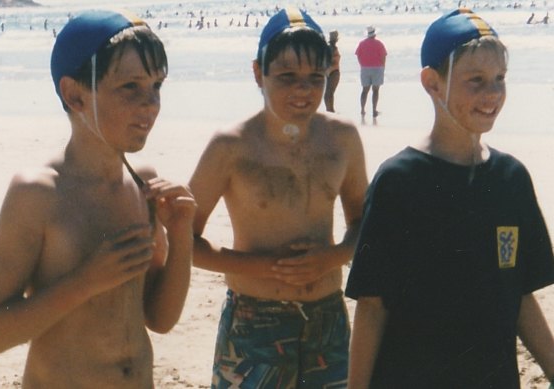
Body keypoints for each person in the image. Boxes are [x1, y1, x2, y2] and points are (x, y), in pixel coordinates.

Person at [0, 10, 196, 388]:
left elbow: (160, 318)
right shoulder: (39, 194)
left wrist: (181, 235)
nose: (150, 104)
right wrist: (85, 282)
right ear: (74, 94)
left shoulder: (141, 186)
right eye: (130, 87)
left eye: (157, 86)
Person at [345, 8, 554, 388]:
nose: (492, 93)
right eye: (475, 80)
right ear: (432, 82)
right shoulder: (399, 181)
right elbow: (372, 306)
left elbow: (520, 297)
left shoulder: (512, 179)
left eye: (499, 78)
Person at [189, 7, 368, 388]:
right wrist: (264, 266)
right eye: (287, 77)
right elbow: (184, 240)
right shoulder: (231, 146)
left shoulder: (342, 139)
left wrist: (332, 257)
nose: (303, 90)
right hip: (254, 320)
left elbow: (364, 223)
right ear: (259, 73)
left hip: (327, 317)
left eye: (315, 78)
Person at [355, 25, 387, 117]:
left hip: (365, 68)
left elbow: (358, 55)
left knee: (365, 90)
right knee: (375, 90)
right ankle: (374, 110)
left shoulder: (362, 44)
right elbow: (383, 56)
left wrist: (362, 64)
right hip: (377, 68)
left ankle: (362, 110)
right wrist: (383, 67)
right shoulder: (379, 44)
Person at [324, 29, 341, 112]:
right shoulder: (331, 48)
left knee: (328, 93)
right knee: (329, 93)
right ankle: (330, 110)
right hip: (333, 71)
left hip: (331, 71)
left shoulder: (330, 47)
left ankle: (330, 110)